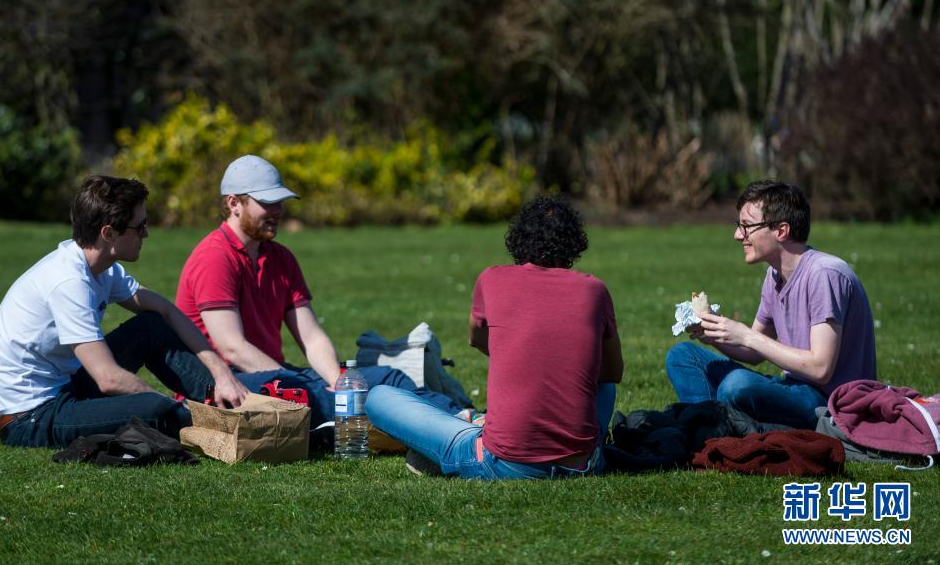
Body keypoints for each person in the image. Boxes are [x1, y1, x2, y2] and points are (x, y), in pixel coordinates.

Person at [174, 155, 466, 425]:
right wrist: (300, 382)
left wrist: (338, 380)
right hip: (226, 385)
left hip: (275, 375)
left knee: (389, 378)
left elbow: (312, 337)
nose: (278, 211)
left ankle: (461, 419)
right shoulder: (215, 257)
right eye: (267, 202)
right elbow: (232, 348)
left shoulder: (281, 258)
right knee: (317, 396)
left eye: (280, 202)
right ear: (234, 203)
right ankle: (434, 425)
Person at [366, 196, 624, 480]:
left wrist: (521, 354)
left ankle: (469, 430)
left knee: (378, 397)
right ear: (573, 244)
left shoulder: (492, 279)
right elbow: (612, 374)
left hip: (503, 463)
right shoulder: (594, 290)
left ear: (518, 239)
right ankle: (480, 425)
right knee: (604, 387)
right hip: (582, 465)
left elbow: (476, 339)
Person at [0, 176, 249, 448]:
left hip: (67, 387)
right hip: (31, 417)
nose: (146, 234)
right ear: (108, 233)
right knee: (154, 410)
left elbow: (166, 311)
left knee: (150, 327)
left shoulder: (102, 269)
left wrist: (221, 374)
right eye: (140, 226)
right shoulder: (69, 282)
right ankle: (234, 425)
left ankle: (227, 399)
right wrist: (168, 405)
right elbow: (108, 379)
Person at [665, 180, 877, 429]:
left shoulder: (825, 274)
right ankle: (713, 428)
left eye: (746, 226)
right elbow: (753, 354)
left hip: (830, 404)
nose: (737, 235)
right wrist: (713, 333)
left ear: (781, 231)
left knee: (737, 385)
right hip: (794, 388)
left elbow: (821, 369)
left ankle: (720, 427)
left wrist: (746, 336)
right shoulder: (774, 276)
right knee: (682, 356)